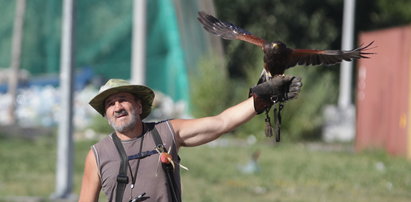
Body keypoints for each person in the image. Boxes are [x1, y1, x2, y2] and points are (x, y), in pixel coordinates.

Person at [79, 76, 302, 202]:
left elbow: (221, 123)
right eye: (110, 104)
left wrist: (262, 100)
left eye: (122, 99)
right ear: (106, 114)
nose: (117, 107)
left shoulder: (166, 132)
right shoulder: (98, 155)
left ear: (138, 106)